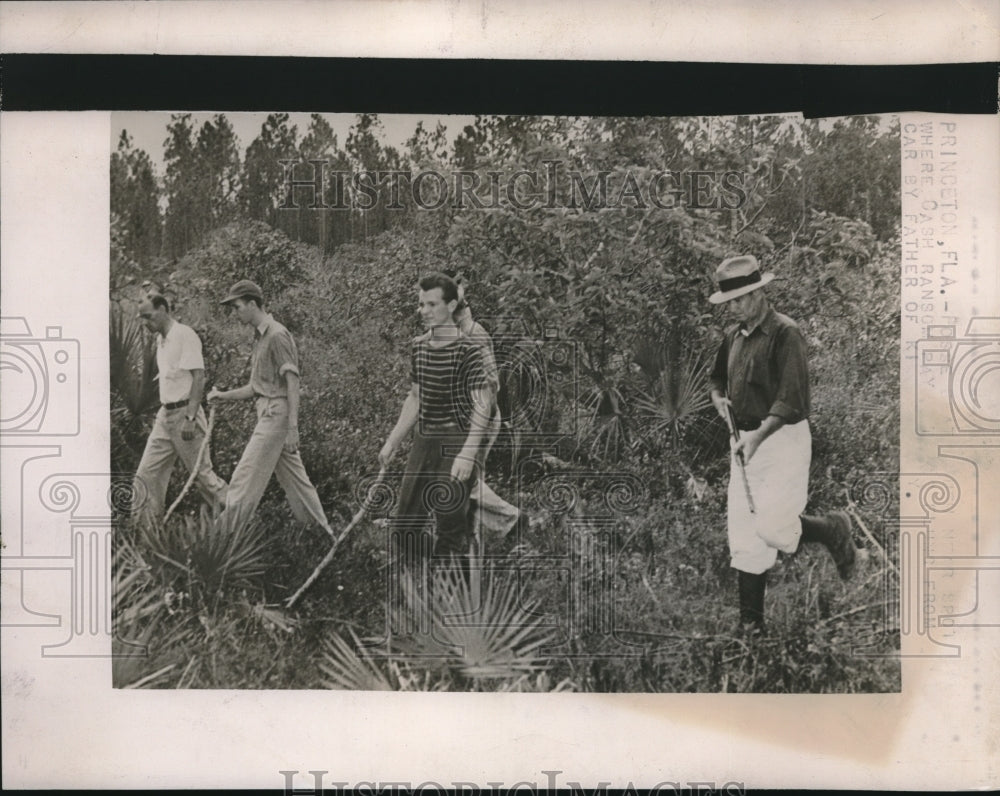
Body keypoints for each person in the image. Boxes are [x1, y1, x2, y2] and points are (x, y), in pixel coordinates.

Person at [707, 255, 861, 635]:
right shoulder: (733, 337)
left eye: (741, 298)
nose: (735, 306)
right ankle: (751, 628)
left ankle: (831, 529)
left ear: (760, 292)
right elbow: (715, 382)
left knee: (774, 527)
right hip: (742, 441)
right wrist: (718, 401)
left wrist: (758, 437)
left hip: (781, 439)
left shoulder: (784, 334)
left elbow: (793, 399)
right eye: (730, 301)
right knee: (744, 534)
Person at [379, 272, 497, 566]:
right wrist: (393, 440)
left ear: (452, 305)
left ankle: (453, 587)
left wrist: (468, 454)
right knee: (404, 527)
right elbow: (415, 398)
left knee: (449, 519)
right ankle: (439, 568)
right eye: (421, 305)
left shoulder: (469, 350)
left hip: (457, 440)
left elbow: (482, 406)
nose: (425, 311)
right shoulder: (419, 346)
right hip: (424, 440)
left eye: (432, 304)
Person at [207, 280, 335, 538]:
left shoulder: (277, 335)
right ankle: (325, 540)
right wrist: (222, 396)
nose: (235, 313)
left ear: (253, 304)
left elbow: (293, 382)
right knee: (297, 484)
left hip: (276, 416)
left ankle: (218, 543)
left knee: (244, 479)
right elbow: (256, 388)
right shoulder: (261, 337)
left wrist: (292, 428)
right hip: (268, 412)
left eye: (238, 307)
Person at [417, 273, 519, 541]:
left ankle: (510, 520)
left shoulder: (474, 334)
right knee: (463, 480)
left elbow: (490, 386)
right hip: (459, 421)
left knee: (462, 480)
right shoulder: (447, 334)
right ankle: (472, 537)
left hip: (478, 419)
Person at [132, 293, 228, 523]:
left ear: (163, 309)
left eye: (148, 316)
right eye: (141, 318)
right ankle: (148, 540)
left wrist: (191, 417)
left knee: (203, 477)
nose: (145, 323)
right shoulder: (160, 340)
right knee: (146, 476)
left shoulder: (184, 335)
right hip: (165, 416)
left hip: (186, 414)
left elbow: (199, 377)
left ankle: (238, 519)